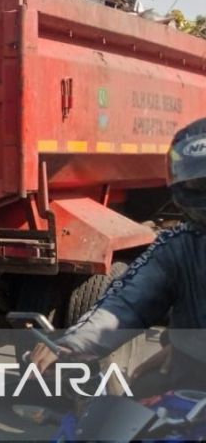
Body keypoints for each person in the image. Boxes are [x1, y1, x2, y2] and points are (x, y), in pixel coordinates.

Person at [31, 117, 206, 393]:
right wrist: (71, 346)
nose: (201, 189)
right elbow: (126, 303)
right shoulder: (180, 245)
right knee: (137, 393)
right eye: (196, 183)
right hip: (192, 375)